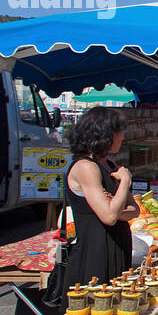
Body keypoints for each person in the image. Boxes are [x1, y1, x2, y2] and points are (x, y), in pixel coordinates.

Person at [63, 106, 139, 286]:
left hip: (117, 246)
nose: (123, 137)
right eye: (119, 131)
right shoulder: (86, 167)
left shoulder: (109, 164)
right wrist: (125, 182)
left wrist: (113, 205)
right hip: (96, 252)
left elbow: (134, 210)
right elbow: (110, 217)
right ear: (104, 134)